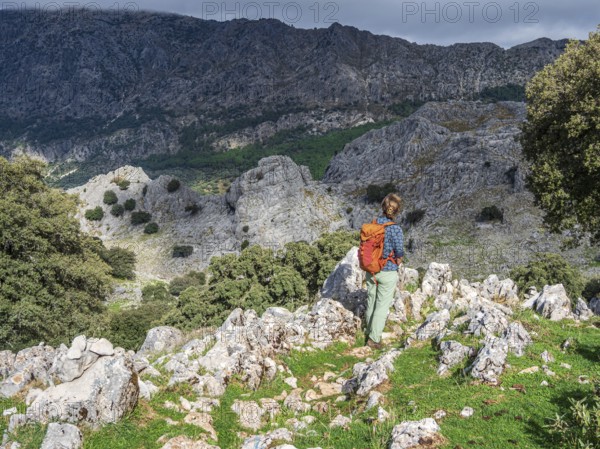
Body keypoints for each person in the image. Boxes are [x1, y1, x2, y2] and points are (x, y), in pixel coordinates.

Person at [364, 193, 404, 349]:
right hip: (387, 271)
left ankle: (368, 331)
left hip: (371, 270)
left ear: (383, 207)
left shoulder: (372, 225)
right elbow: (399, 251)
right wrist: (398, 259)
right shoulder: (395, 230)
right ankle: (374, 339)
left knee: (371, 301)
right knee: (381, 305)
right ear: (396, 211)